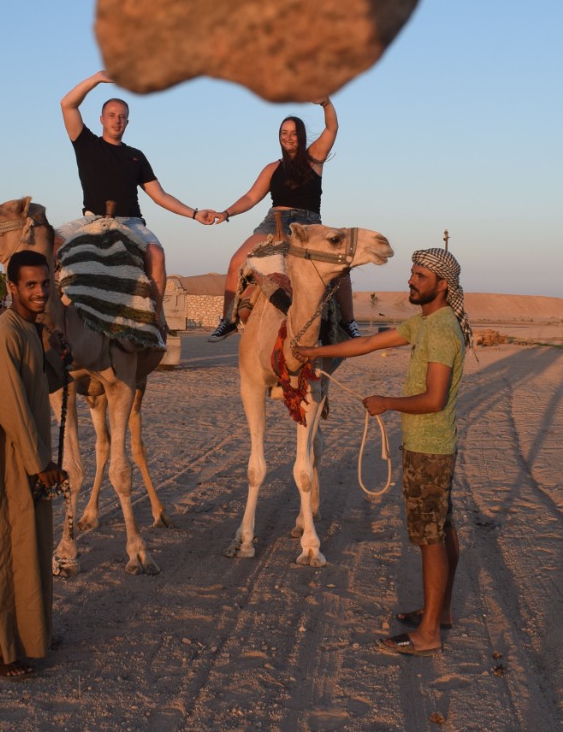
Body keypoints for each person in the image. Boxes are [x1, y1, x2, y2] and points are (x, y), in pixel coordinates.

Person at [295, 248, 473, 656]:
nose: (411, 280)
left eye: (421, 276)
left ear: (443, 285)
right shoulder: (424, 323)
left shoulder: (443, 329)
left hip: (430, 447)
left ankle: (428, 634)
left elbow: (434, 399)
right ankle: (440, 612)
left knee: (430, 538)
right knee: (441, 528)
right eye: (412, 273)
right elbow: (371, 343)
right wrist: (313, 353)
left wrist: (387, 402)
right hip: (428, 445)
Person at [59, 70, 218, 333]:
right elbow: (67, 104)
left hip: (130, 222)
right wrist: (96, 79)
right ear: (101, 119)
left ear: (127, 123)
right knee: (52, 240)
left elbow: (159, 195)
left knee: (156, 253)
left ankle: (156, 319)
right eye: (112, 115)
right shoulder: (86, 143)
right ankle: (54, 309)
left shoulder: (136, 156)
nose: (117, 121)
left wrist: (195, 213)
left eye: (122, 117)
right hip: (92, 220)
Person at [0, 250, 68, 680]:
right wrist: (39, 463)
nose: (39, 292)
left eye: (44, 284)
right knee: (9, 549)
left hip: (31, 458)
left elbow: (36, 382)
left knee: (31, 549)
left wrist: (55, 355)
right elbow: (11, 406)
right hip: (13, 459)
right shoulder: (3, 334)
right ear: (11, 287)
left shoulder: (29, 330)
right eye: (30, 285)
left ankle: (31, 636)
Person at [208, 99, 359, 341]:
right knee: (236, 261)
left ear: (301, 136)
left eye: (293, 133)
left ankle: (349, 322)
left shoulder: (314, 159)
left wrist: (326, 103)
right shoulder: (272, 168)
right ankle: (228, 319)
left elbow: (332, 129)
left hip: (308, 224)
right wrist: (226, 213)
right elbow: (251, 197)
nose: (288, 137)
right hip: (274, 222)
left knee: (341, 265)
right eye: (283, 133)